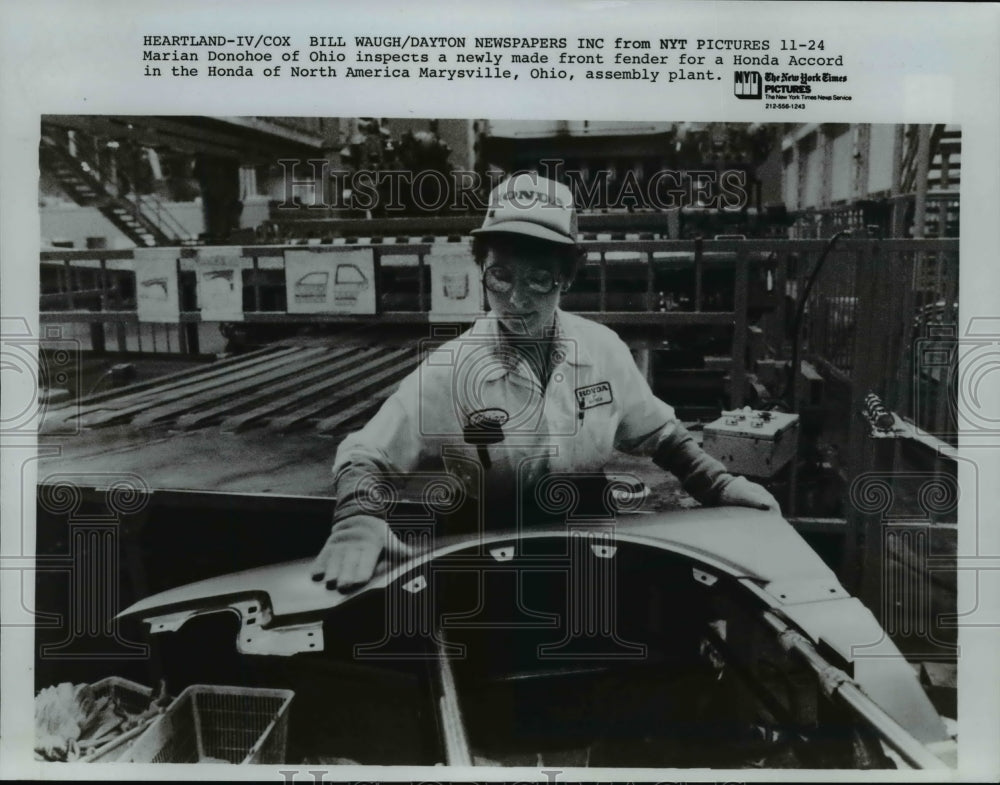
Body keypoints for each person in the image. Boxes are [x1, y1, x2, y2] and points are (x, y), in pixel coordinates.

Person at [311, 174, 779, 591]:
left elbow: (659, 433)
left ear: (566, 278)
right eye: (500, 276)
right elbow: (365, 453)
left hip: (591, 553)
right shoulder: (450, 371)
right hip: (483, 561)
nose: (515, 299)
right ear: (481, 272)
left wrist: (715, 482)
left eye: (538, 280)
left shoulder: (601, 350)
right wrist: (358, 517)